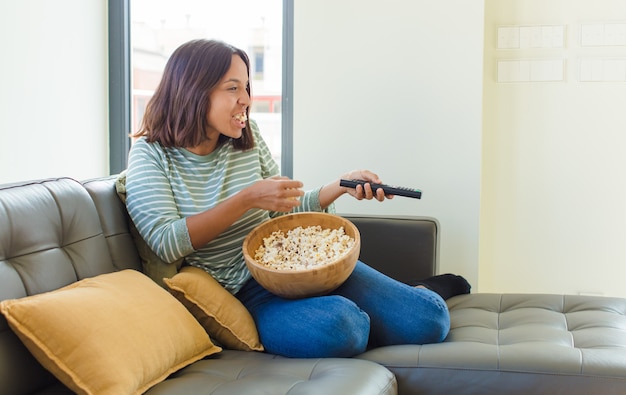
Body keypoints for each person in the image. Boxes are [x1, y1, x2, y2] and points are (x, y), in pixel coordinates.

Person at [125, 39, 470, 358]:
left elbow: (284, 213)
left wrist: (339, 186)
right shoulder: (150, 155)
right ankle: (380, 305)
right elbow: (166, 241)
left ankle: (415, 291)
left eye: (246, 87)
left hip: (300, 263)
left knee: (430, 320)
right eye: (233, 88)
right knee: (345, 327)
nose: (245, 99)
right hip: (249, 291)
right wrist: (246, 199)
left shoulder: (248, 137)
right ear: (192, 92)